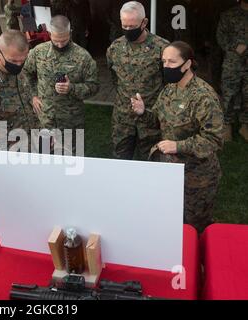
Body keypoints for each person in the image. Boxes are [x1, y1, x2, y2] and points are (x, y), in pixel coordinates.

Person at [131, 41, 224, 233]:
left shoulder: (203, 96)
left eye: (172, 62)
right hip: (170, 171)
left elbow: (213, 139)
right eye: (163, 61)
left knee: (194, 226)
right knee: (171, 222)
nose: (166, 67)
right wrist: (143, 112)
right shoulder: (169, 89)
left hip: (196, 177)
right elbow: (158, 120)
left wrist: (178, 146)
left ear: (187, 64)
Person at [23, 15, 99, 153]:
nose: (59, 45)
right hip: (45, 119)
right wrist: (33, 95)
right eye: (56, 40)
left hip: (71, 122)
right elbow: (25, 73)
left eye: (64, 40)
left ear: (70, 33)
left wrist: (72, 88)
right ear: (50, 33)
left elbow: (94, 86)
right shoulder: (38, 52)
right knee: (45, 159)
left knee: (72, 164)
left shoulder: (83, 57)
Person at [106, 1, 169, 160]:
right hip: (123, 118)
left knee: (150, 162)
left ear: (144, 22)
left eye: (132, 26)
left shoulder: (162, 48)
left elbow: (170, 85)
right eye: (124, 26)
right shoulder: (115, 48)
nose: (127, 30)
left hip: (150, 119)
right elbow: (115, 78)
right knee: (120, 161)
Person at [216, 0, 248, 142]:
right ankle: (227, 125)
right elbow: (221, 36)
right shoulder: (229, 15)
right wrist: (235, 46)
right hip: (233, 62)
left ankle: (245, 125)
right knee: (229, 94)